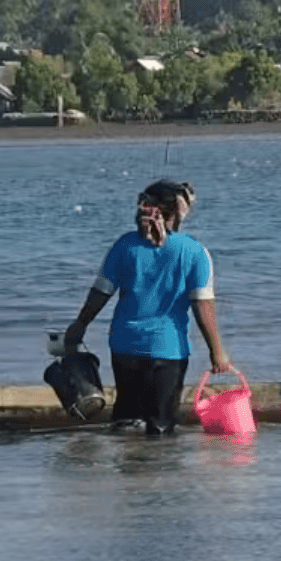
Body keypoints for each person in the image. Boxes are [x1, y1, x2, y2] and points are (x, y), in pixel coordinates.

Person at [62, 179, 232, 435]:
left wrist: (79, 325)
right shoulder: (194, 252)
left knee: (126, 421)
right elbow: (202, 306)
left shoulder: (125, 246)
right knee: (161, 427)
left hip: (124, 346)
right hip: (167, 349)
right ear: (178, 212)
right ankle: (158, 469)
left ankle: (128, 469)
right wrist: (217, 351)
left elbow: (101, 293)